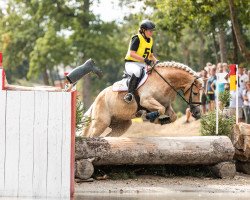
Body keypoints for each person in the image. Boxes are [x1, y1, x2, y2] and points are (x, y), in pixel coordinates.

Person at [123, 19, 159, 103]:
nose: (151, 33)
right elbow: (132, 54)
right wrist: (145, 60)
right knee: (137, 71)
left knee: (155, 73)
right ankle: (130, 94)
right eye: (150, 31)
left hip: (142, 64)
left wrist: (156, 61)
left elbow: (151, 55)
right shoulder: (137, 38)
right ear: (143, 30)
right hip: (131, 63)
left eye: (152, 31)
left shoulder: (150, 40)